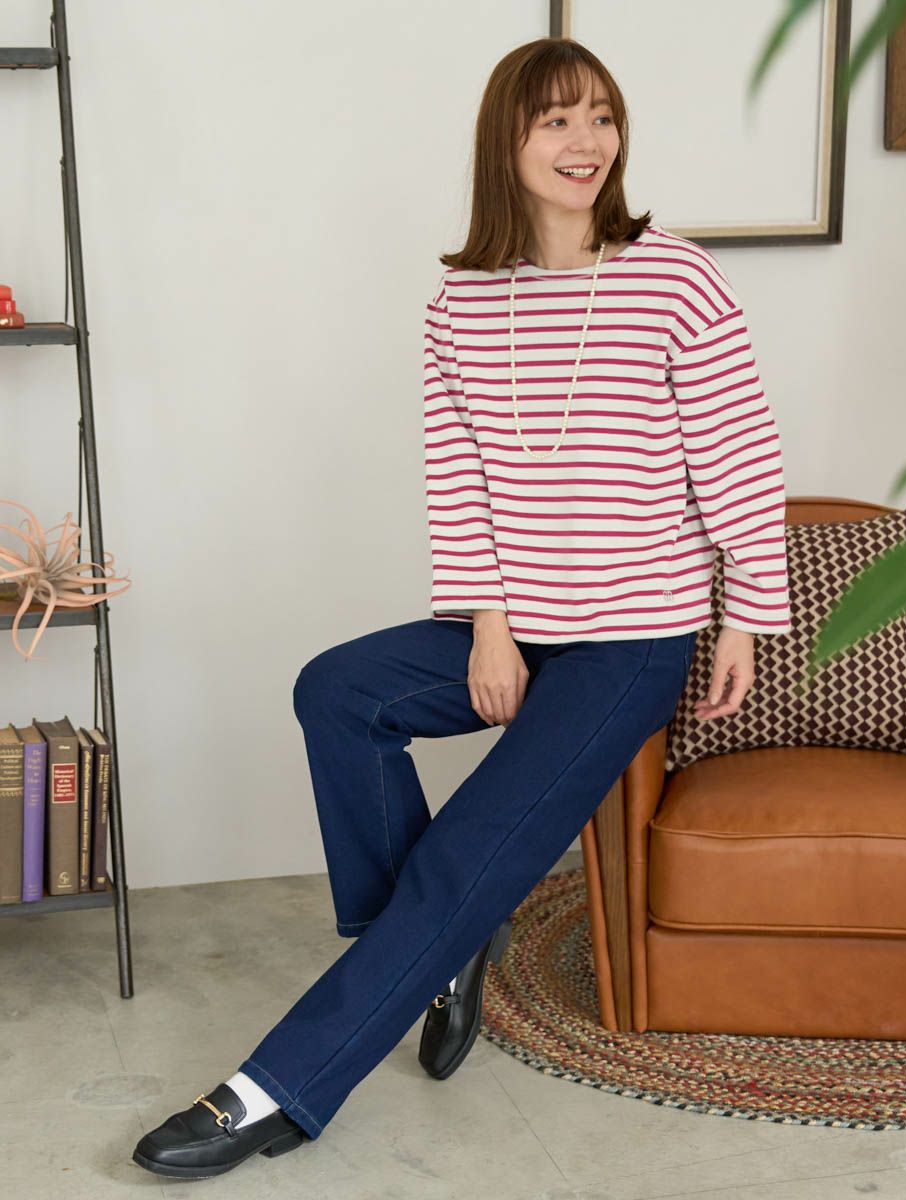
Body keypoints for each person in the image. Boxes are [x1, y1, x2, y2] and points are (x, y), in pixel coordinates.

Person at [132, 34, 791, 1182]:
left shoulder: (675, 278)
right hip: (517, 617)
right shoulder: (463, 303)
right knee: (338, 691)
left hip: (633, 638)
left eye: (602, 116)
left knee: (471, 848)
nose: (586, 141)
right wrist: (489, 622)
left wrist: (744, 615)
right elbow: (460, 476)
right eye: (556, 120)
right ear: (507, 141)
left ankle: (276, 1089)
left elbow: (740, 454)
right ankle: (436, 951)